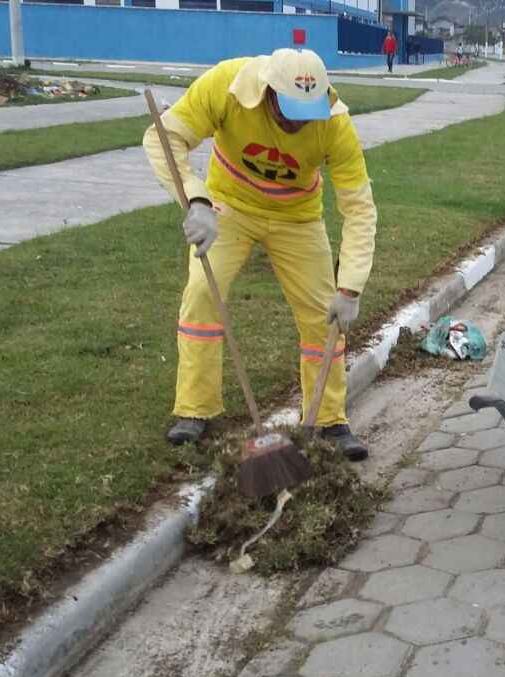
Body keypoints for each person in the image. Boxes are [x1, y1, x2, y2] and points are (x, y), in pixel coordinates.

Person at [143, 48, 377, 460]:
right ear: (267, 91)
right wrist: (195, 199)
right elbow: (163, 137)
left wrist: (351, 287)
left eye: (307, 112)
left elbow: (358, 207)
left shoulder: (335, 123)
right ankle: (195, 410)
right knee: (202, 295)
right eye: (289, 110)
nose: (298, 121)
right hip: (228, 206)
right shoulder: (227, 85)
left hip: (298, 217)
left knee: (324, 313)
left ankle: (327, 420)